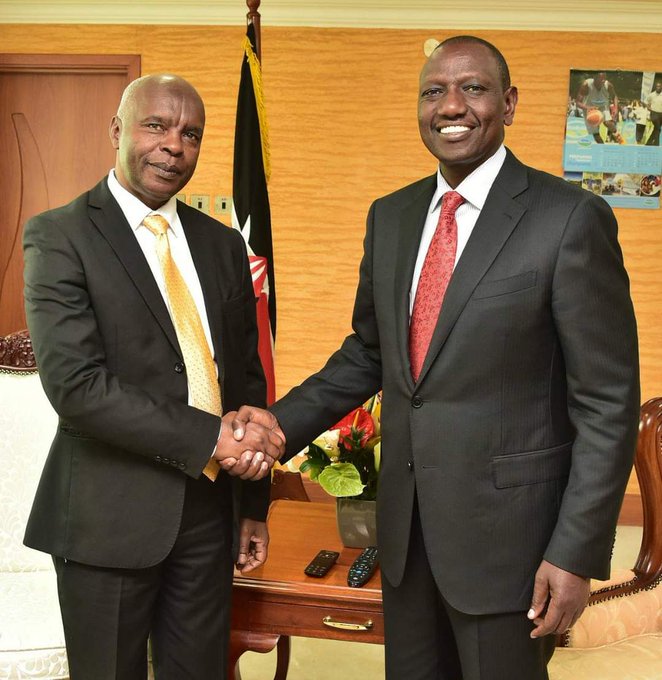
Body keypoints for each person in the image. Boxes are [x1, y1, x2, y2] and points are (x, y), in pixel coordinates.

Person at [229, 36, 640, 680]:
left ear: (508, 103)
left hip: (513, 544)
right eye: (432, 91)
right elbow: (368, 353)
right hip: (407, 536)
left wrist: (576, 551)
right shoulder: (390, 216)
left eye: (473, 88)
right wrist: (277, 427)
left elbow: (607, 403)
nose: (451, 104)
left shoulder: (569, 219)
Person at [22, 74, 284, 680]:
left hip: (209, 515)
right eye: (156, 126)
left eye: (190, 134)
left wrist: (253, 505)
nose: (174, 145)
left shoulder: (222, 246)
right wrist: (211, 439)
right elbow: (76, 388)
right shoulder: (60, 236)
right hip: (106, 521)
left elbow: (244, 378)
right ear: (117, 131)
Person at [576, 71, 625, 143]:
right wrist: (587, 107)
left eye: (604, 79)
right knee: (595, 134)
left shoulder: (608, 85)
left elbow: (614, 96)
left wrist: (615, 107)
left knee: (608, 122)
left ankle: (618, 137)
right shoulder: (586, 85)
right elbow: (577, 102)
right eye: (600, 79)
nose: (603, 81)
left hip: (603, 107)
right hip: (589, 109)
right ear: (594, 78)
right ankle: (602, 148)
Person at [645, 80, 662, 146]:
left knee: (656, 129)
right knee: (658, 128)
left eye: (659, 86)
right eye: (657, 86)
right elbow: (645, 101)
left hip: (661, 114)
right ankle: (656, 144)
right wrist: (648, 107)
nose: (658, 87)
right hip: (654, 113)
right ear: (655, 87)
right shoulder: (651, 95)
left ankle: (648, 143)